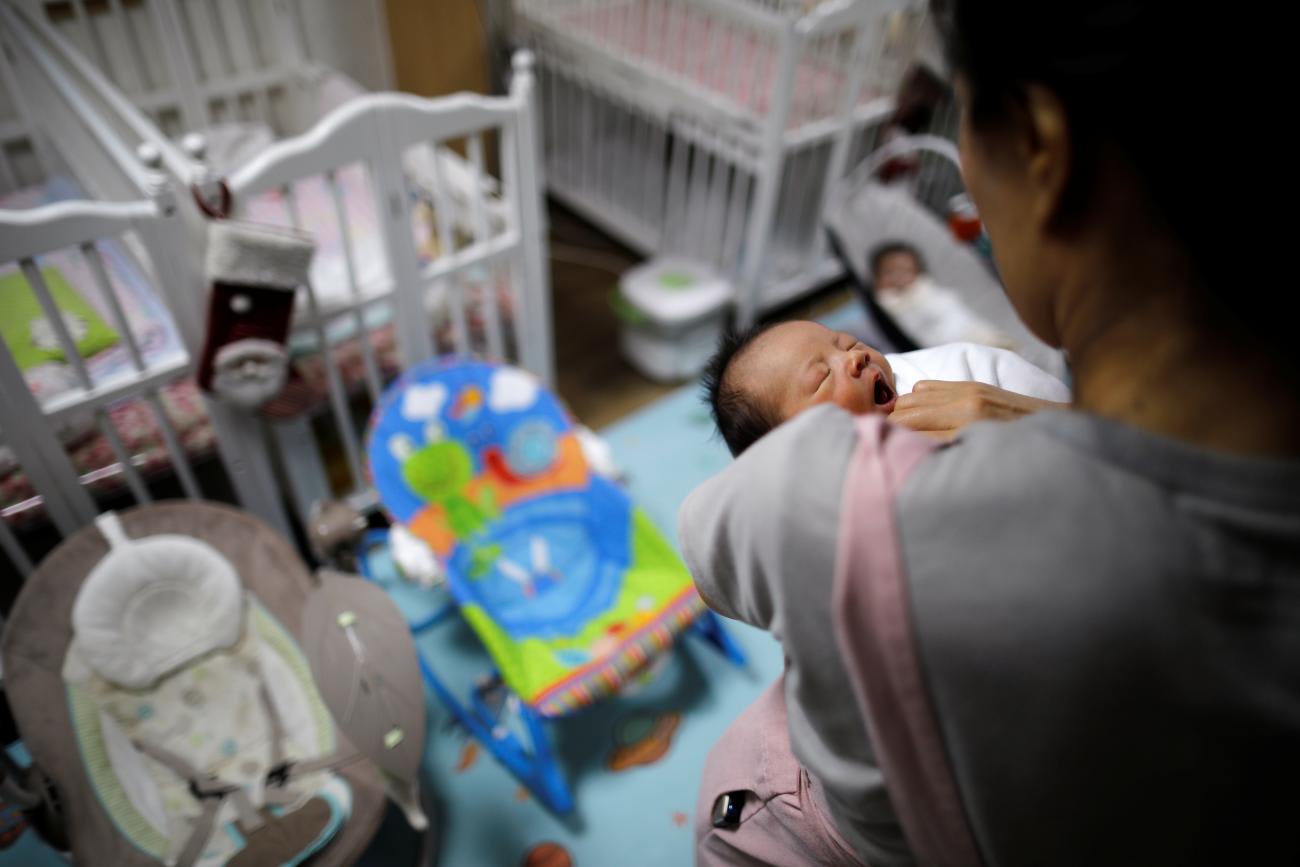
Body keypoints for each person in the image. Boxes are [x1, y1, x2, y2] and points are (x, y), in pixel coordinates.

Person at [678, 1, 1299, 865]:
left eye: (961, 110)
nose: (852, 354)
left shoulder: (830, 508)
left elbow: (714, 533)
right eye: (820, 374)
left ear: (1040, 144)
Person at [702, 320, 1066, 456]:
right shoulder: (826, 501)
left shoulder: (955, 370)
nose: (854, 358)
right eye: (823, 377)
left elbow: (1052, 402)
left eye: (846, 342)